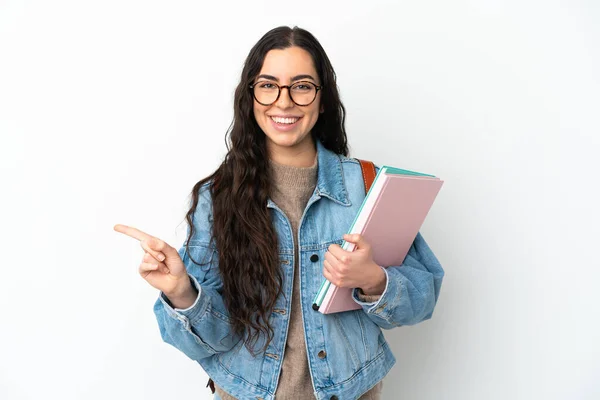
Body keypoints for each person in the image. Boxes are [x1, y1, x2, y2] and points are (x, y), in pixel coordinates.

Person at [115, 26, 444, 400]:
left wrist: (373, 280)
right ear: (251, 96)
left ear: (322, 99)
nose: (283, 102)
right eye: (268, 85)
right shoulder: (219, 196)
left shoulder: (368, 186)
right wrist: (182, 292)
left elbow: (423, 298)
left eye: (301, 86)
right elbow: (211, 339)